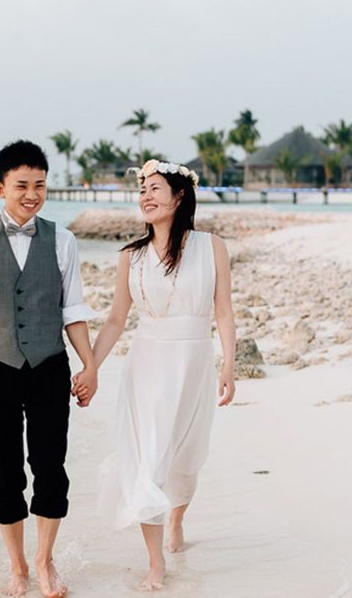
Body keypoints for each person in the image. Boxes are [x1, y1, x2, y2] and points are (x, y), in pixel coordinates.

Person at [0, 140, 98, 597]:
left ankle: (45, 561)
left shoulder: (63, 241)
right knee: (5, 473)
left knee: (51, 467)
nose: (32, 194)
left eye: (40, 185)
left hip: (50, 367)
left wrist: (89, 366)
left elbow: (72, 310)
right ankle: (17, 567)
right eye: (21, 186)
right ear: (0, 188)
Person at [78, 159, 236, 591]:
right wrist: (90, 365)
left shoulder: (212, 247)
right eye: (142, 189)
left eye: (154, 188)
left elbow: (223, 310)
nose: (145, 196)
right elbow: (114, 320)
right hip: (146, 366)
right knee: (147, 459)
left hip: (194, 362)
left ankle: (177, 519)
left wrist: (229, 363)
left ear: (179, 196)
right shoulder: (131, 257)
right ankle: (154, 562)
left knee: (185, 459)